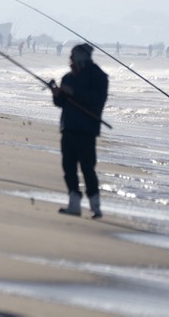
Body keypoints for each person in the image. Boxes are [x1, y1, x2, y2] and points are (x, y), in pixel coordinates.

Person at [52, 44, 109, 218]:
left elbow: (97, 100)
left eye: (74, 55)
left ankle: (95, 206)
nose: (71, 59)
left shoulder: (99, 76)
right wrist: (57, 95)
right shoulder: (68, 77)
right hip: (68, 127)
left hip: (86, 130)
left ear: (83, 56)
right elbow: (61, 103)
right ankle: (74, 204)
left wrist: (74, 92)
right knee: (68, 167)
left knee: (87, 168)